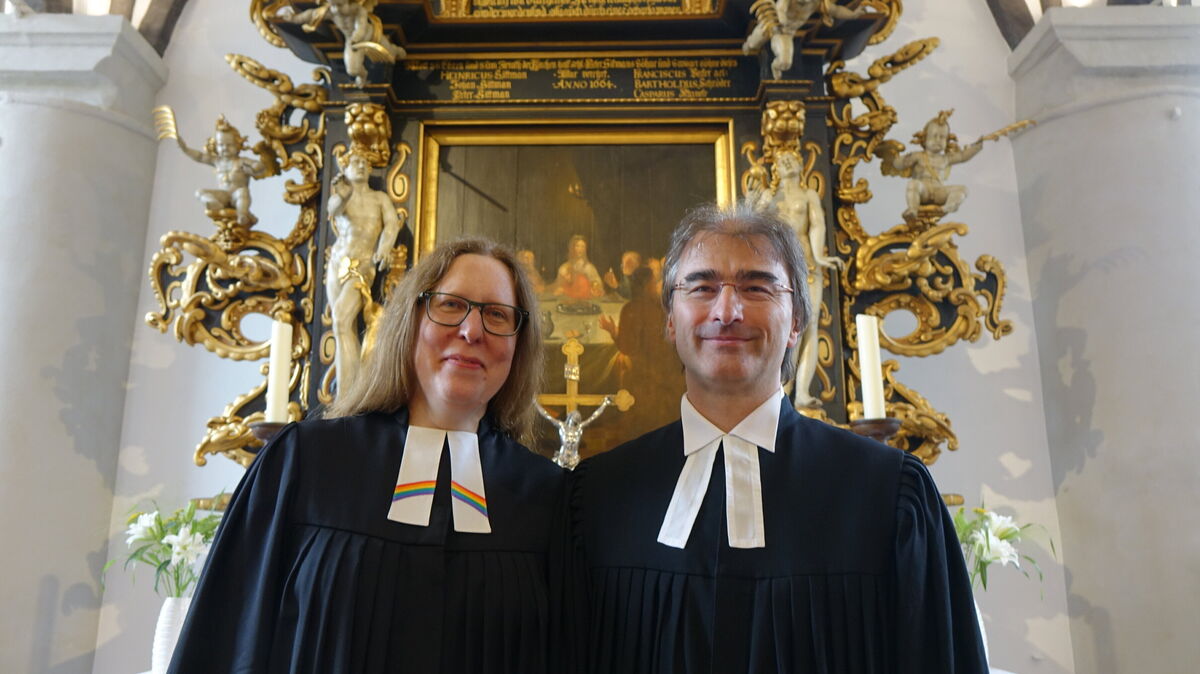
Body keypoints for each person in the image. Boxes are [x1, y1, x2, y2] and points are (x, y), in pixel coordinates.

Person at [571, 203, 987, 673]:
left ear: (795, 323)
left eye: (756, 287)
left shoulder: (887, 493)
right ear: (670, 320)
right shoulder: (602, 496)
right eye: (703, 287)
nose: (727, 311)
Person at [169, 239, 575, 674]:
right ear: (410, 319)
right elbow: (228, 641)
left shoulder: (545, 497)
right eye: (451, 305)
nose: (472, 331)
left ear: (519, 344)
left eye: (497, 315)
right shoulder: (306, 463)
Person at [325, 148, 402, 393]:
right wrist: (343, 195)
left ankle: (347, 395)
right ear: (345, 169)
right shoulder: (342, 194)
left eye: (364, 163)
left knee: (340, 319)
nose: (360, 165)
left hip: (362, 263)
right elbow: (333, 209)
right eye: (355, 162)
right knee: (340, 328)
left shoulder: (379, 198)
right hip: (337, 262)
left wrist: (384, 248)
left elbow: (392, 224)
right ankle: (348, 386)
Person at [552, 234, 604, 300]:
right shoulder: (564, 267)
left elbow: (597, 285)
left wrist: (596, 288)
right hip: (567, 300)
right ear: (572, 248)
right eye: (577, 246)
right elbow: (558, 286)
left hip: (586, 301)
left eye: (583, 246)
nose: (580, 249)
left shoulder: (589, 268)